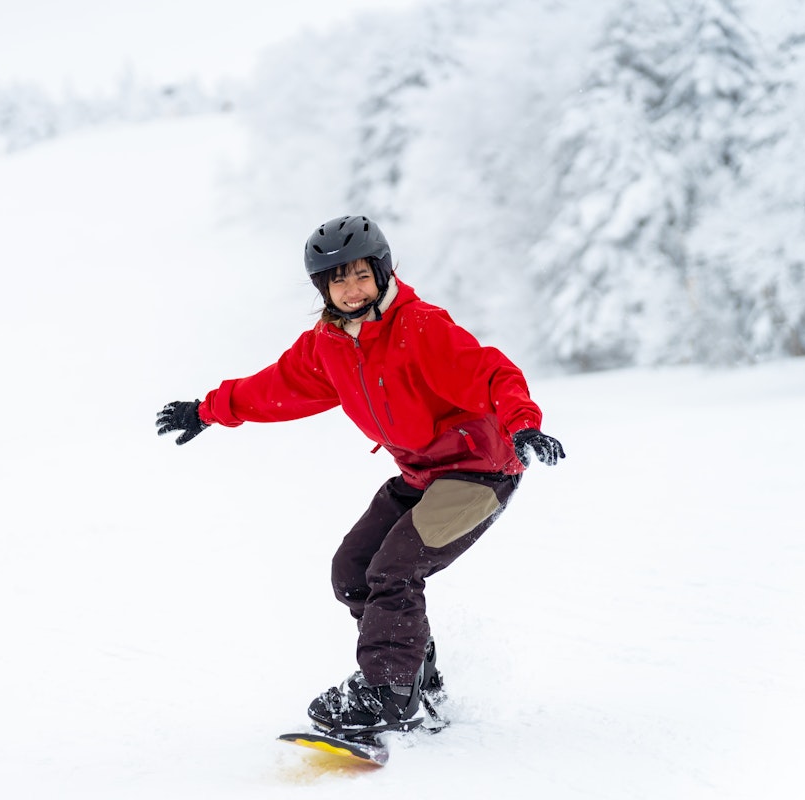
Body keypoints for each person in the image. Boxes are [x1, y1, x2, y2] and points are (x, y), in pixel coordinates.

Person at [155, 215, 565, 735]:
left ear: (382, 271)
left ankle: (387, 691)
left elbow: (492, 372)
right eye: (337, 279)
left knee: (394, 570)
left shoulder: (420, 327)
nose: (350, 289)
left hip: (479, 470)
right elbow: (274, 388)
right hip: (421, 473)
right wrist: (208, 410)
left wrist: (524, 426)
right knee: (354, 569)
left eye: (359, 275)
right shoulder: (327, 346)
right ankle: (415, 671)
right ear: (322, 287)